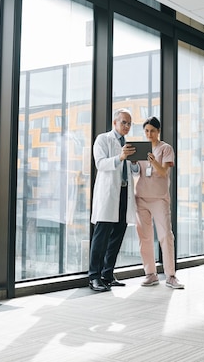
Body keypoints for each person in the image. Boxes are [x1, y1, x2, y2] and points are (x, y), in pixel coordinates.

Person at [88, 108, 139, 292]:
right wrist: (121, 157)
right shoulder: (103, 139)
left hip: (124, 193)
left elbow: (135, 172)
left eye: (129, 123)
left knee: (117, 235)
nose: (127, 126)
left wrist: (133, 163)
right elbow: (100, 163)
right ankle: (94, 276)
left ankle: (107, 274)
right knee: (101, 236)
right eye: (124, 122)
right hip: (109, 194)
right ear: (115, 123)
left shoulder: (128, 143)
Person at [133, 117, 184, 289]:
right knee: (144, 237)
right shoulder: (140, 149)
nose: (149, 134)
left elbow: (163, 173)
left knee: (165, 235)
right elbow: (136, 173)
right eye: (146, 131)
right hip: (141, 197)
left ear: (158, 131)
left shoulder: (166, 149)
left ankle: (170, 275)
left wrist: (153, 161)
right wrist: (133, 162)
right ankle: (150, 274)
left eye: (152, 131)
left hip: (159, 198)